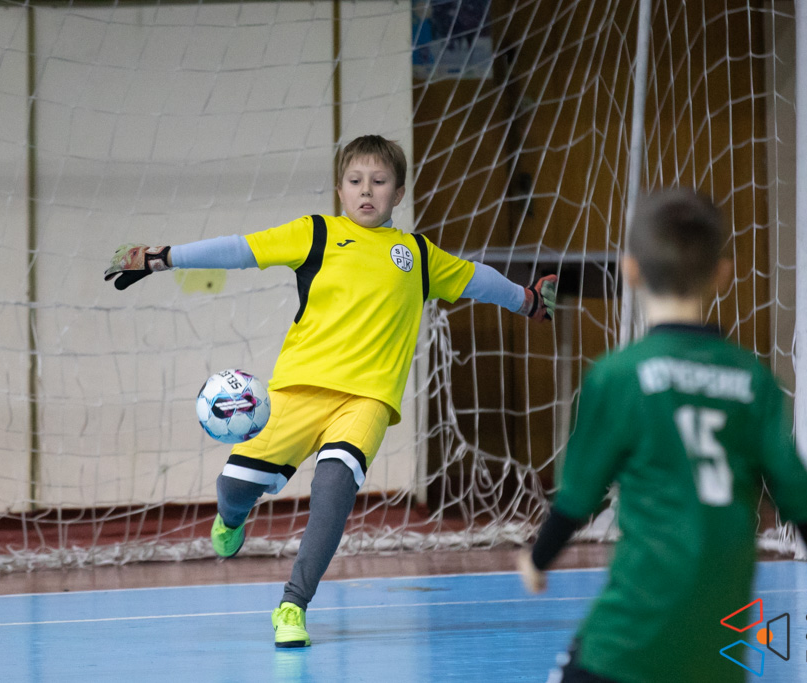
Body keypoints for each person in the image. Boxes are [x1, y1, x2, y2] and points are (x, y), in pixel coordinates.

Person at [104, 134, 558, 648]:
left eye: (379, 182)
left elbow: (478, 279)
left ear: (398, 193)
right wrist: (160, 257)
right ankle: (232, 518)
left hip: (366, 400)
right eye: (355, 180)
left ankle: (293, 605)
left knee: (333, 491)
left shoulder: (416, 254)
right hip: (296, 392)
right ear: (340, 190)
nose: (366, 190)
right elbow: (240, 249)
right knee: (234, 487)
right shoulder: (315, 233)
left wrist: (527, 300)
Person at [517, 187, 807, 682]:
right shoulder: (753, 380)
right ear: (722, 273)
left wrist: (538, 558)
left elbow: (578, 496)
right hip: (717, 644)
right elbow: (801, 497)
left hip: (630, 635)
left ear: (630, 270)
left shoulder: (619, 376)